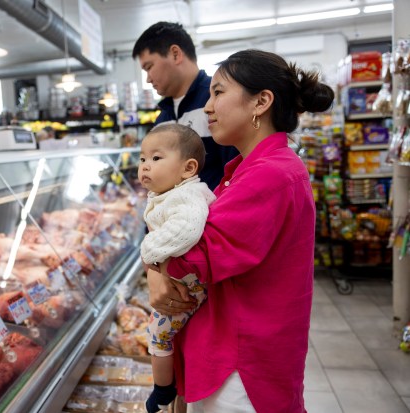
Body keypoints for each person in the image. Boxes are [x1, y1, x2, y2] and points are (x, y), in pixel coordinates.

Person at [145, 49, 334, 413]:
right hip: (238, 345)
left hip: (243, 364)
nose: (208, 107)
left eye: (218, 93)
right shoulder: (253, 167)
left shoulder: (270, 175)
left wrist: (155, 266)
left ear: (261, 102)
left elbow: (196, 257)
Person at [137, 124, 216, 413]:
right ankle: (168, 385)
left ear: (188, 168)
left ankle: (163, 388)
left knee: (157, 332)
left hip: (192, 287)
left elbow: (186, 231)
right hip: (186, 279)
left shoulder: (185, 197)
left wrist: (148, 252)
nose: (145, 166)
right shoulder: (171, 192)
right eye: (143, 158)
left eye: (156, 159)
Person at [132, 21, 239, 191]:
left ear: (175, 54)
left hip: (215, 214)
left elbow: (237, 173)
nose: (148, 79)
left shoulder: (218, 101)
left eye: (149, 67)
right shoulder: (162, 119)